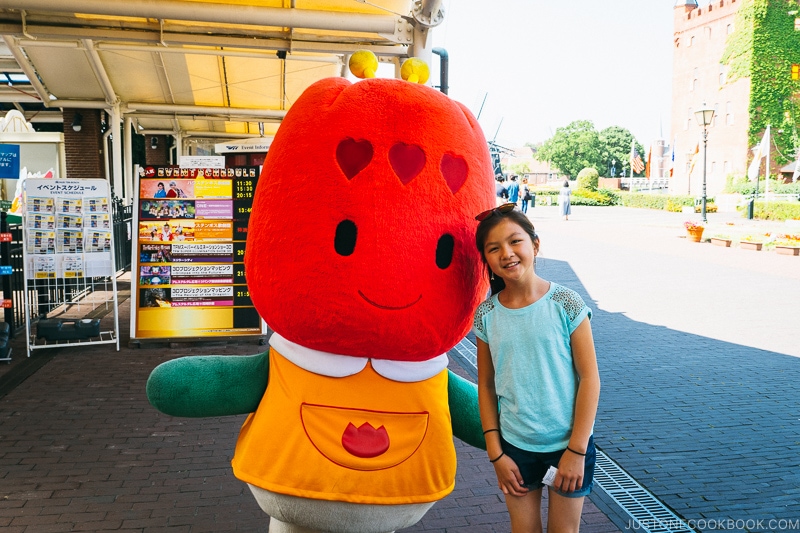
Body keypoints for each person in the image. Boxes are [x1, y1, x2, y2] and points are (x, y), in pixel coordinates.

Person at [472, 204, 600, 533]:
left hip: (568, 447)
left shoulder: (566, 304)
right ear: (486, 259)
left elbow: (590, 379)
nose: (507, 253)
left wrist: (576, 451)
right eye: (494, 248)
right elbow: (485, 385)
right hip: (515, 449)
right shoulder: (486, 314)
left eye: (515, 241)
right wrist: (496, 454)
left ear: (535, 244)